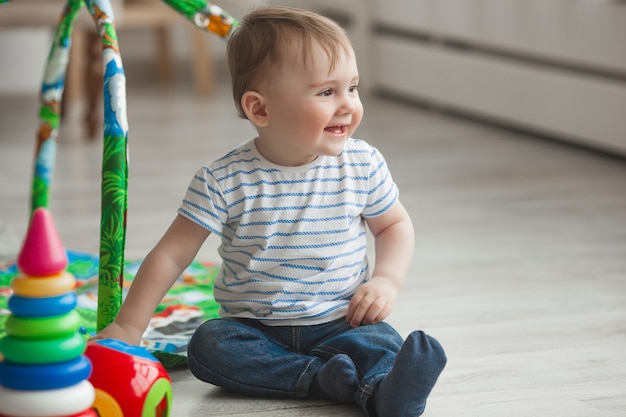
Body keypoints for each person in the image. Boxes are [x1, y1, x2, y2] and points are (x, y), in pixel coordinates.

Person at [94, 6, 446, 417]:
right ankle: (322, 378)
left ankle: (389, 394)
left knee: (382, 342)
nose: (348, 104)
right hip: (254, 329)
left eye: (353, 87)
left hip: (342, 321)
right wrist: (129, 327)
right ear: (260, 109)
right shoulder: (223, 180)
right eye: (326, 92)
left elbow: (394, 225)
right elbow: (172, 254)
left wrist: (386, 280)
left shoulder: (362, 164)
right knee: (208, 348)